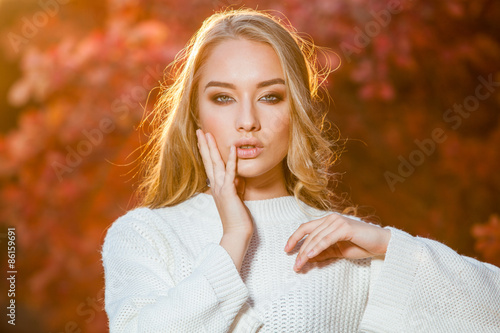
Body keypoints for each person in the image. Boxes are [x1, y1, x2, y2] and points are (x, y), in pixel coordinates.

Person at [101, 8, 500, 332]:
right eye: (223, 97)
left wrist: (388, 247)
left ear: (297, 110)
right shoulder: (145, 235)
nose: (247, 120)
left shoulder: (337, 241)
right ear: (195, 113)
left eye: (270, 97)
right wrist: (235, 239)